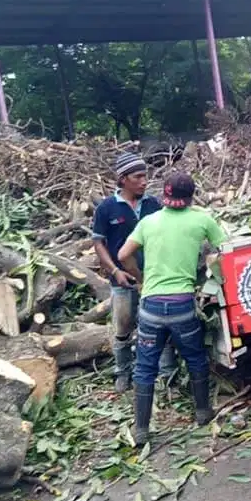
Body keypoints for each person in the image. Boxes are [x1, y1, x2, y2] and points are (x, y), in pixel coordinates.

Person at [117, 171, 226, 442]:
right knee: (196, 358)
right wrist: (213, 280)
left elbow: (122, 255)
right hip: (182, 306)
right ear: (190, 196)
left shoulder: (148, 221)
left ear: (164, 195)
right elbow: (226, 251)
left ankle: (141, 429)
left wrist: (140, 279)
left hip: (151, 306)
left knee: (145, 368)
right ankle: (202, 412)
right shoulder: (202, 220)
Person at [92, 151, 174, 393]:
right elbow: (99, 243)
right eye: (138, 177)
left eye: (145, 176)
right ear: (123, 179)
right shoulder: (107, 208)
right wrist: (115, 271)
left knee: (160, 324)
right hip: (123, 279)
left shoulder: (153, 205)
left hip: (154, 277)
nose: (144, 181)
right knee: (123, 325)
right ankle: (123, 372)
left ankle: (166, 373)